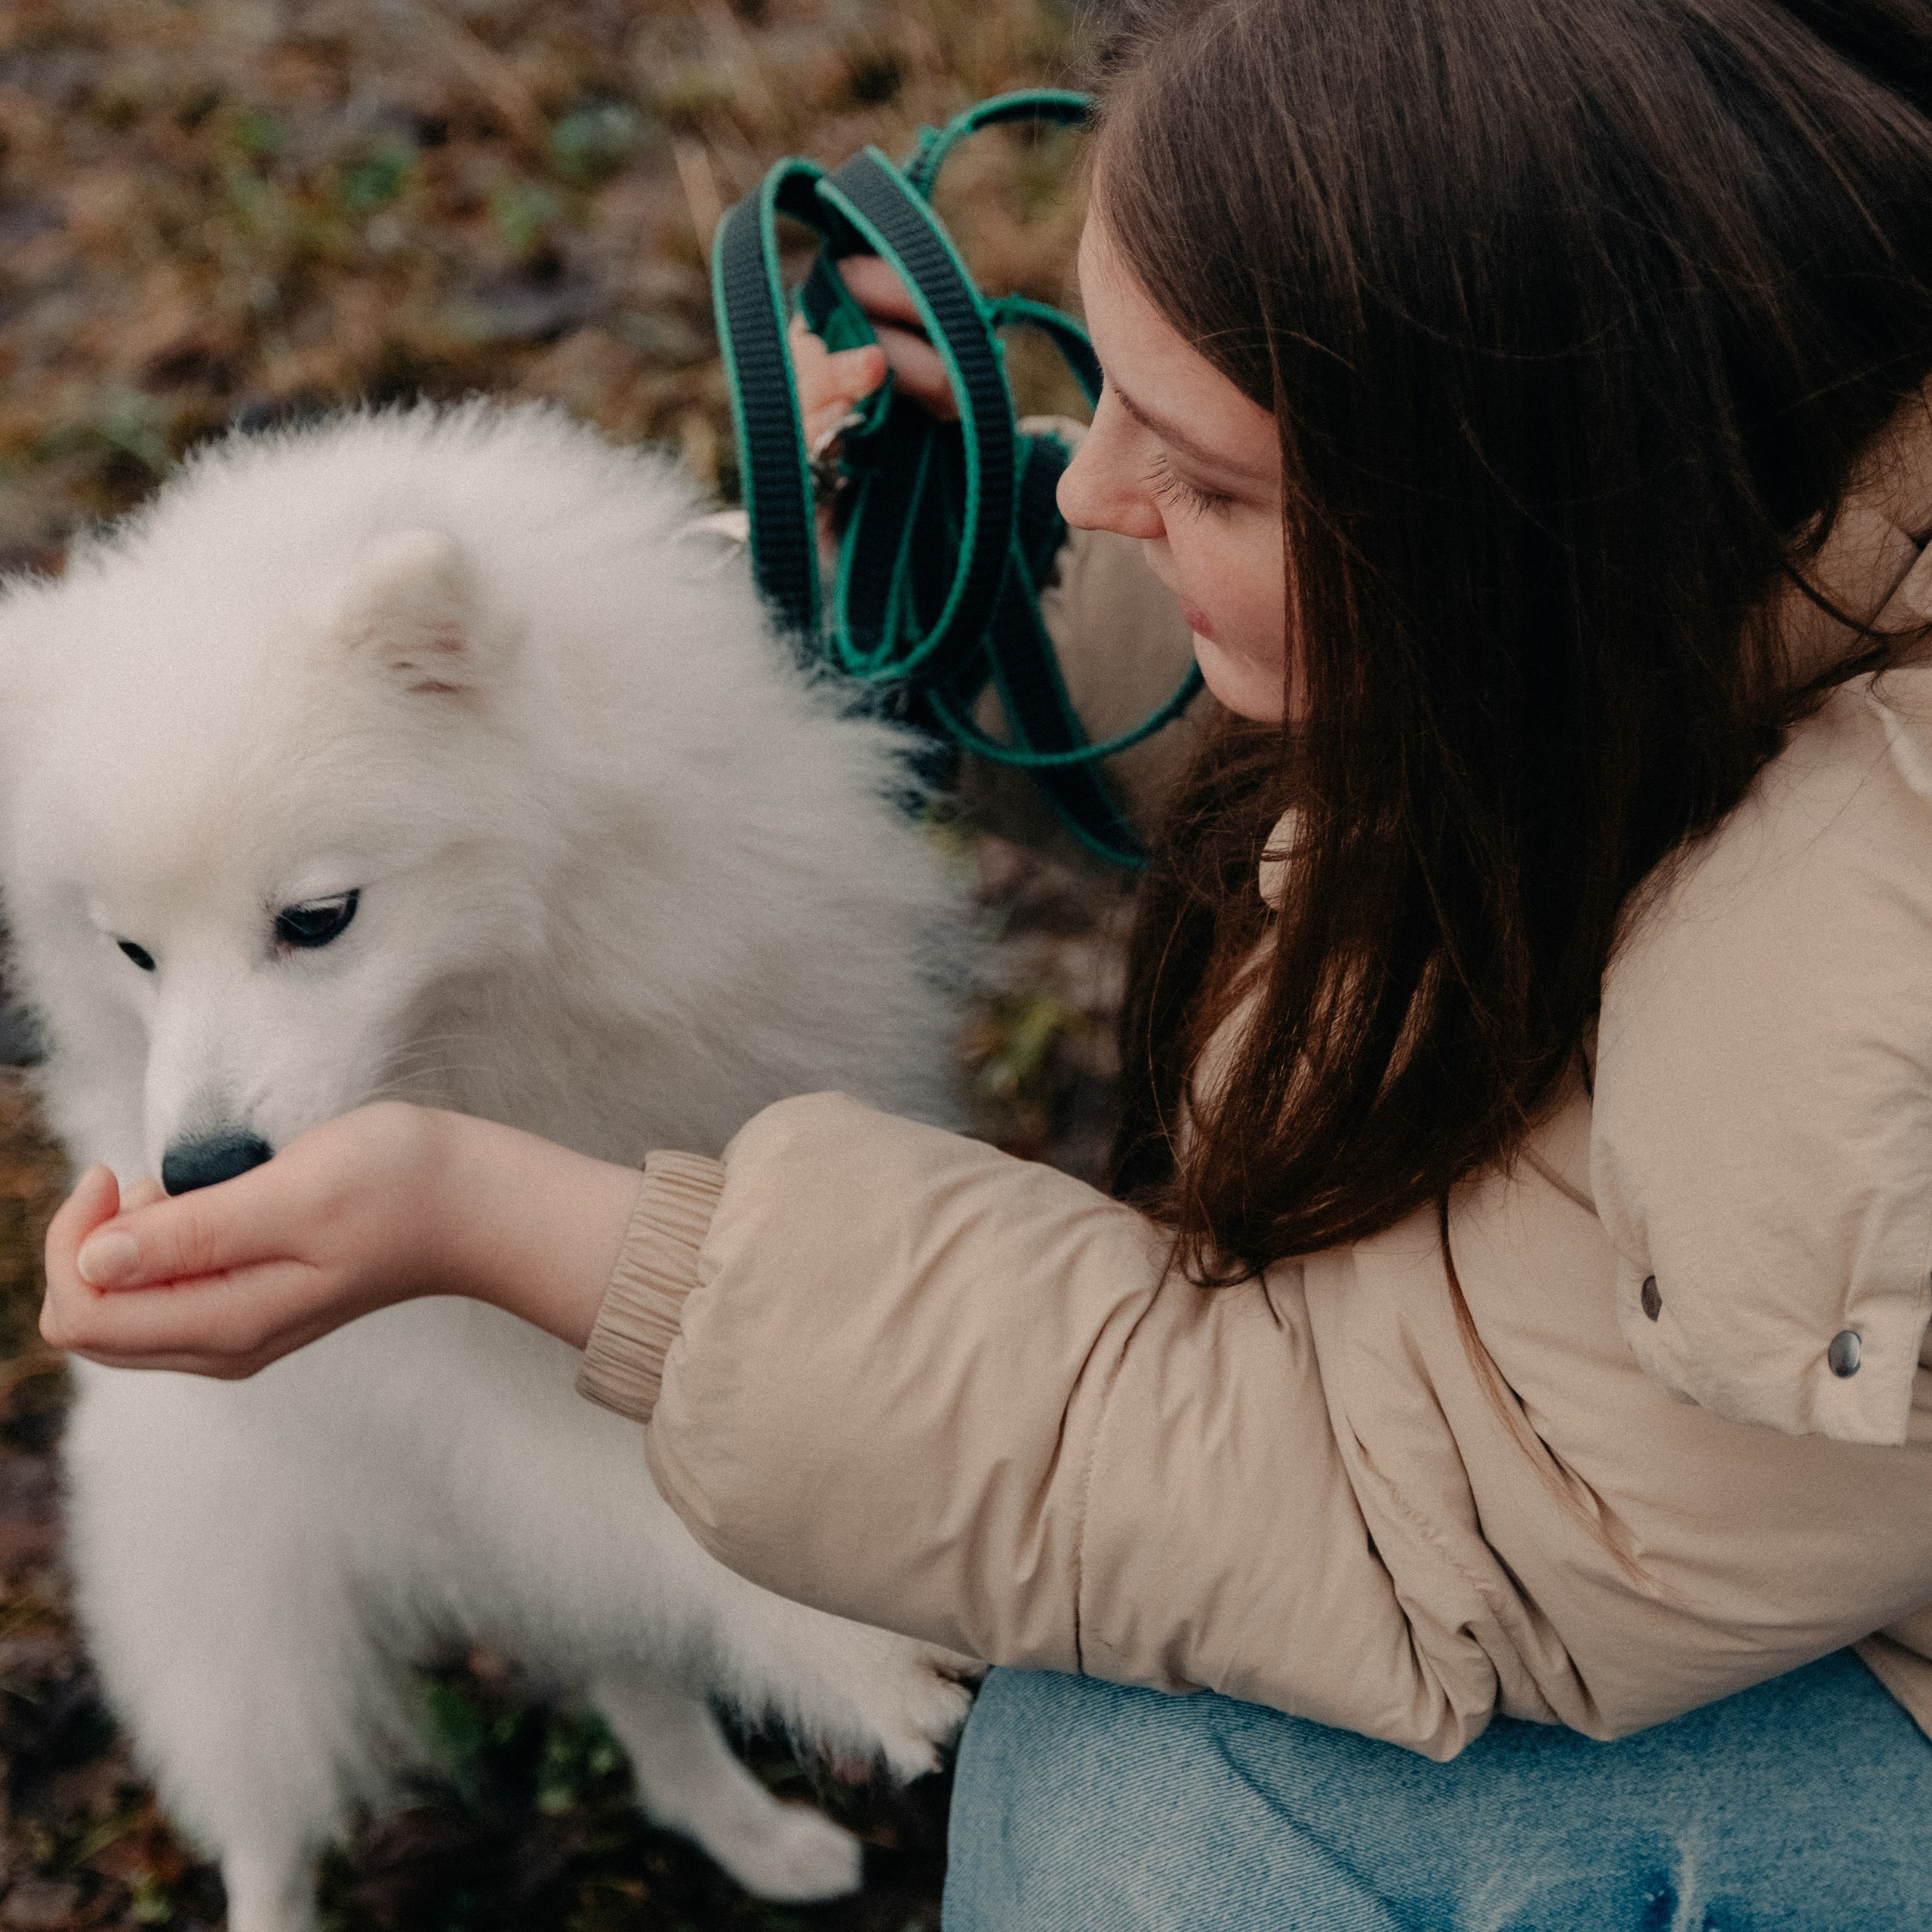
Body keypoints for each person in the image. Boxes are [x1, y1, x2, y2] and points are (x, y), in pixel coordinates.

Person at [36, 0, 1932, 1922]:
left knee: (1147, 1773)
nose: (1095, 486)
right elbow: (1427, 652)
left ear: (1513, 480)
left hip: (1762, 1652)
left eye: (1200, 475)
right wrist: (986, 562)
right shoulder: (1713, 536)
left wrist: (560, 1238)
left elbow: (1393, 1517)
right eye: (1101, 396)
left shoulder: (1864, 982)